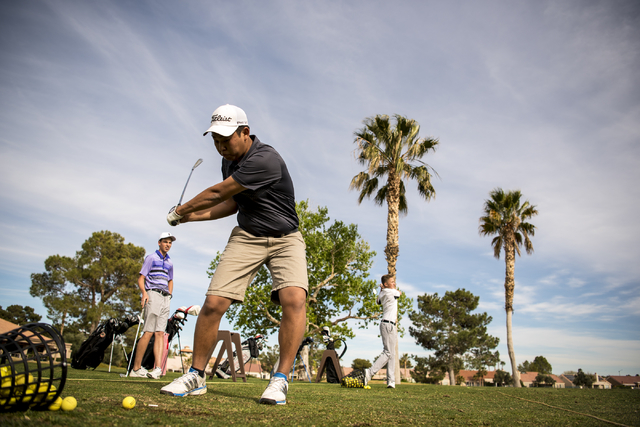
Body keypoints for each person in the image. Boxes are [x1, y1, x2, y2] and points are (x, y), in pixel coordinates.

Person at [162, 104, 308, 405]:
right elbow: (231, 203)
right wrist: (192, 217)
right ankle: (196, 376)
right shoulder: (229, 163)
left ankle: (280, 380)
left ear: (245, 132)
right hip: (247, 236)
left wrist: (182, 209)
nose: (220, 146)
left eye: (226, 139)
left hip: (285, 238)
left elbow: (218, 192)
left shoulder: (265, 158)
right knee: (214, 302)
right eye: (215, 140)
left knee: (293, 298)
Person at [130, 232, 176, 379]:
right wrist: (144, 293)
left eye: (170, 242)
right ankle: (136, 369)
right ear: (159, 243)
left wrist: (169, 295)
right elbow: (141, 278)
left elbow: (170, 280)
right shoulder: (151, 258)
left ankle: (157, 369)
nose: (168, 244)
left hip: (164, 298)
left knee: (160, 334)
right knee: (148, 332)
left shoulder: (170, 263)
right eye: (165, 242)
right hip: (153, 294)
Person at [365, 274, 402, 388]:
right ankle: (369, 372)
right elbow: (399, 293)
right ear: (386, 284)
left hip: (390, 325)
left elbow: (378, 301)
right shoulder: (391, 292)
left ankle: (391, 381)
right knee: (388, 352)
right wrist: (386, 288)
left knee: (391, 353)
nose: (394, 283)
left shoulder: (383, 293)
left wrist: (382, 289)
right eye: (392, 281)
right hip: (388, 324)